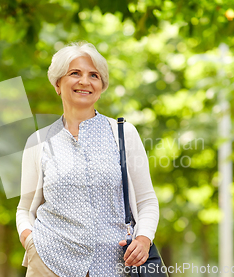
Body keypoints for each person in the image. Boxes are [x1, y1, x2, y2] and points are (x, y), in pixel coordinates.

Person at [16, 42, 159, 277]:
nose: (85, 81)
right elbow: (24, 208)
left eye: (94, 75)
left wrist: (143, 239)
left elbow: (147, 201)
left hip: (116, 266)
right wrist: (30, 241)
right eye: (75, 73)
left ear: (101, 86)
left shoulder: (123, 133)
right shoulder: (38, 142)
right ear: (57, 84)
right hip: (50, 264)